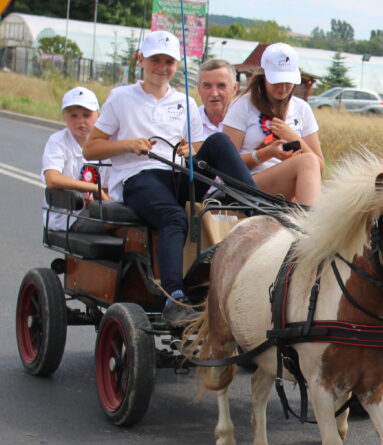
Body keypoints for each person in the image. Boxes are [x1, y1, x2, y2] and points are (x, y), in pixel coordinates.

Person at [84, 30, 255, 325]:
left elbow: (199, 147)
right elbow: (91, 148)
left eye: (169, 62)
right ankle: (174, 297)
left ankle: (256, 207)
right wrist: (128, 144)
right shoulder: (121, 97)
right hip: (137, 178)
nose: (162, 68)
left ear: (177, 65)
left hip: (175, 174)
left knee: (219, 143)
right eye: (156, 60)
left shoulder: (184, 101)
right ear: (142, 60)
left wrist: (193, 149)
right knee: (174, 218)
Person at [223, 42, 324, 206]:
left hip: (289, 182)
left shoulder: (302, 109)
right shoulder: (242, 105)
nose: (283, 88)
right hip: (248, 184)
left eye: (288, 81)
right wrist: (266, 154)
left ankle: (307, 220)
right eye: (277, 81)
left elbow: (319, 167)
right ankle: (311, 226)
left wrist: (293, 137)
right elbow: (226, 164)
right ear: (264, 76)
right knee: (307, 161)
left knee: (309, 161)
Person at [41, 86, 111, 233]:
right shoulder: (58, 141)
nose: (81, 121)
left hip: (96, 209)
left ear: (99, 115)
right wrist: (92, 188)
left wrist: (99, 199)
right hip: (67, 216)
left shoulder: (105, 145)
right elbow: (52, 179)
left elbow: (108, 187)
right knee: (118, 228)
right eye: (74, 116)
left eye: (86, 115)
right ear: (64, 116)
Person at [198, 58, 238, 136]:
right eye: (207, 86)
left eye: (221, 86)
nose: (214, 93)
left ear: (234, 88)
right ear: (199, 89)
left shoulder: (247, 122)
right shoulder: (188, 122)